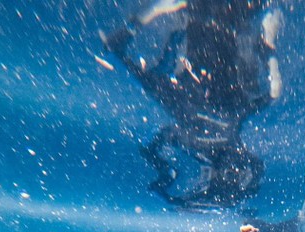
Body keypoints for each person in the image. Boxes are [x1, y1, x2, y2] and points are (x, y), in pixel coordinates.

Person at [100, 0, 283, 208]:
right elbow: (113, 51)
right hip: (210, 21)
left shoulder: (225, 118)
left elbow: (273, 93)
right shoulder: (182, 112)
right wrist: (153, 12)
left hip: (226, 22)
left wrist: (269, 42)